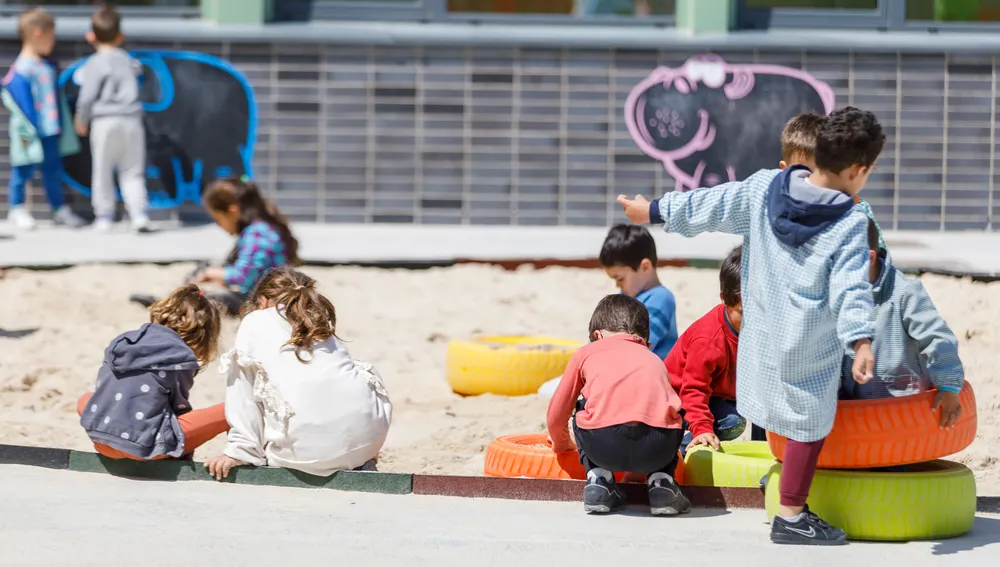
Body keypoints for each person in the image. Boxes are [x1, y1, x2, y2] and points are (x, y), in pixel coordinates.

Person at [616, 106, 885, 545]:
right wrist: (860, 340)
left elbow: (711, 202)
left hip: (758, 337)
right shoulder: (850, 220)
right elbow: (852, 287)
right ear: (858, 169)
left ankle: (776, 476)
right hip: (807, 343)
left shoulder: (765, 187)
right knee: (810, 423)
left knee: (774, 412)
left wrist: (656, 210)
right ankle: (793, 515)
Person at [204, 267, 392, 480]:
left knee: (254, 380)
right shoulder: (317, 321)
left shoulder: (256, 320)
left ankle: (254, 449)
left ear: (263, 301)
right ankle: (358, 454)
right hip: (366, 444)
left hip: (307, 457)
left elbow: (243, 392)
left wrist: (240, 451)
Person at [546, 294, 689, 516]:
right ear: (645, 342)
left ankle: (599, 481)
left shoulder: (585, 353)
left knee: (582, 407)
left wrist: (561, 444)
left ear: (597, 335)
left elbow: (557, 413)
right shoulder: (653, 358)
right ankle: (662, 484)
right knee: (672, 411)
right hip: (658, 448)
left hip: (603, 446)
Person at [78, 285, 226, 460]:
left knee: (86, 398)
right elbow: (179, 408)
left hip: (101, 438)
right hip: (142, 447)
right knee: (228, 410)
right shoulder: (180, 357)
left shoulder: (123, 341)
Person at [839, 219, 965, 423]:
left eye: (840, 265)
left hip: (902, 399)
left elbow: (937, 337)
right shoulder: (838, 294)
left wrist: (948, 386)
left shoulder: (905, 293)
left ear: (869, 258)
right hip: (854, 402)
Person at [130, 177, 297, 315]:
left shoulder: (257, 232)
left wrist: (211, 273)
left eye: (218, 219)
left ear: (232, 211)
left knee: (208, 299)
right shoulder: (260, 228)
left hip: (266, 301)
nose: (219, 226)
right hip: (261, 295)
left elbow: (243, 276)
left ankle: (170, 305)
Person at [667, 245, 765, 454]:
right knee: (732, 422)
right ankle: (679, 451)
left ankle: (765, 451)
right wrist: (702, 427)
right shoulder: (708, 340)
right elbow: (694, 389)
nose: (753, 320)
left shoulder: (761, 326)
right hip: (678, 398)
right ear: (724, 299)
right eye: (743, 312)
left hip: (720, 394)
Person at [2, 8, 86, 230]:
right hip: (29, 133)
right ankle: (17, 208)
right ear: (38, 34)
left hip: (51, 131)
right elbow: (14, 95)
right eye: (51, 36)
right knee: (23, 169)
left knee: (53, 169)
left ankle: (59, 208)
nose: (53, 42)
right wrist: (31, 125)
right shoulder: (21, 69)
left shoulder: (47, 66)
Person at [74, 4, 149, 233]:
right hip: (132, 121)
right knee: (133, 171)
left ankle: (105, 216)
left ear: (91, 36)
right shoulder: (129, 60)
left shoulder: (95, 63)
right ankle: (139, 214)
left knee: (102, 170)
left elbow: (87, 95)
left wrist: (81, 118)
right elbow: (139, 72)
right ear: (120, 36)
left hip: (104, 121)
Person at [780, 112, 885, 249]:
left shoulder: (857, 212)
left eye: (818, 173)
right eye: (804, 176)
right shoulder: (771, 201)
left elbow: (877, 256)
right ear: (784, 170)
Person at [599, 224, 678, 359]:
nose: (618, 285)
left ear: (645, 267)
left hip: (650, 373)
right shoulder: (624, 297)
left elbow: (639, 346)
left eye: (620, 278)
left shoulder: (661, 298)